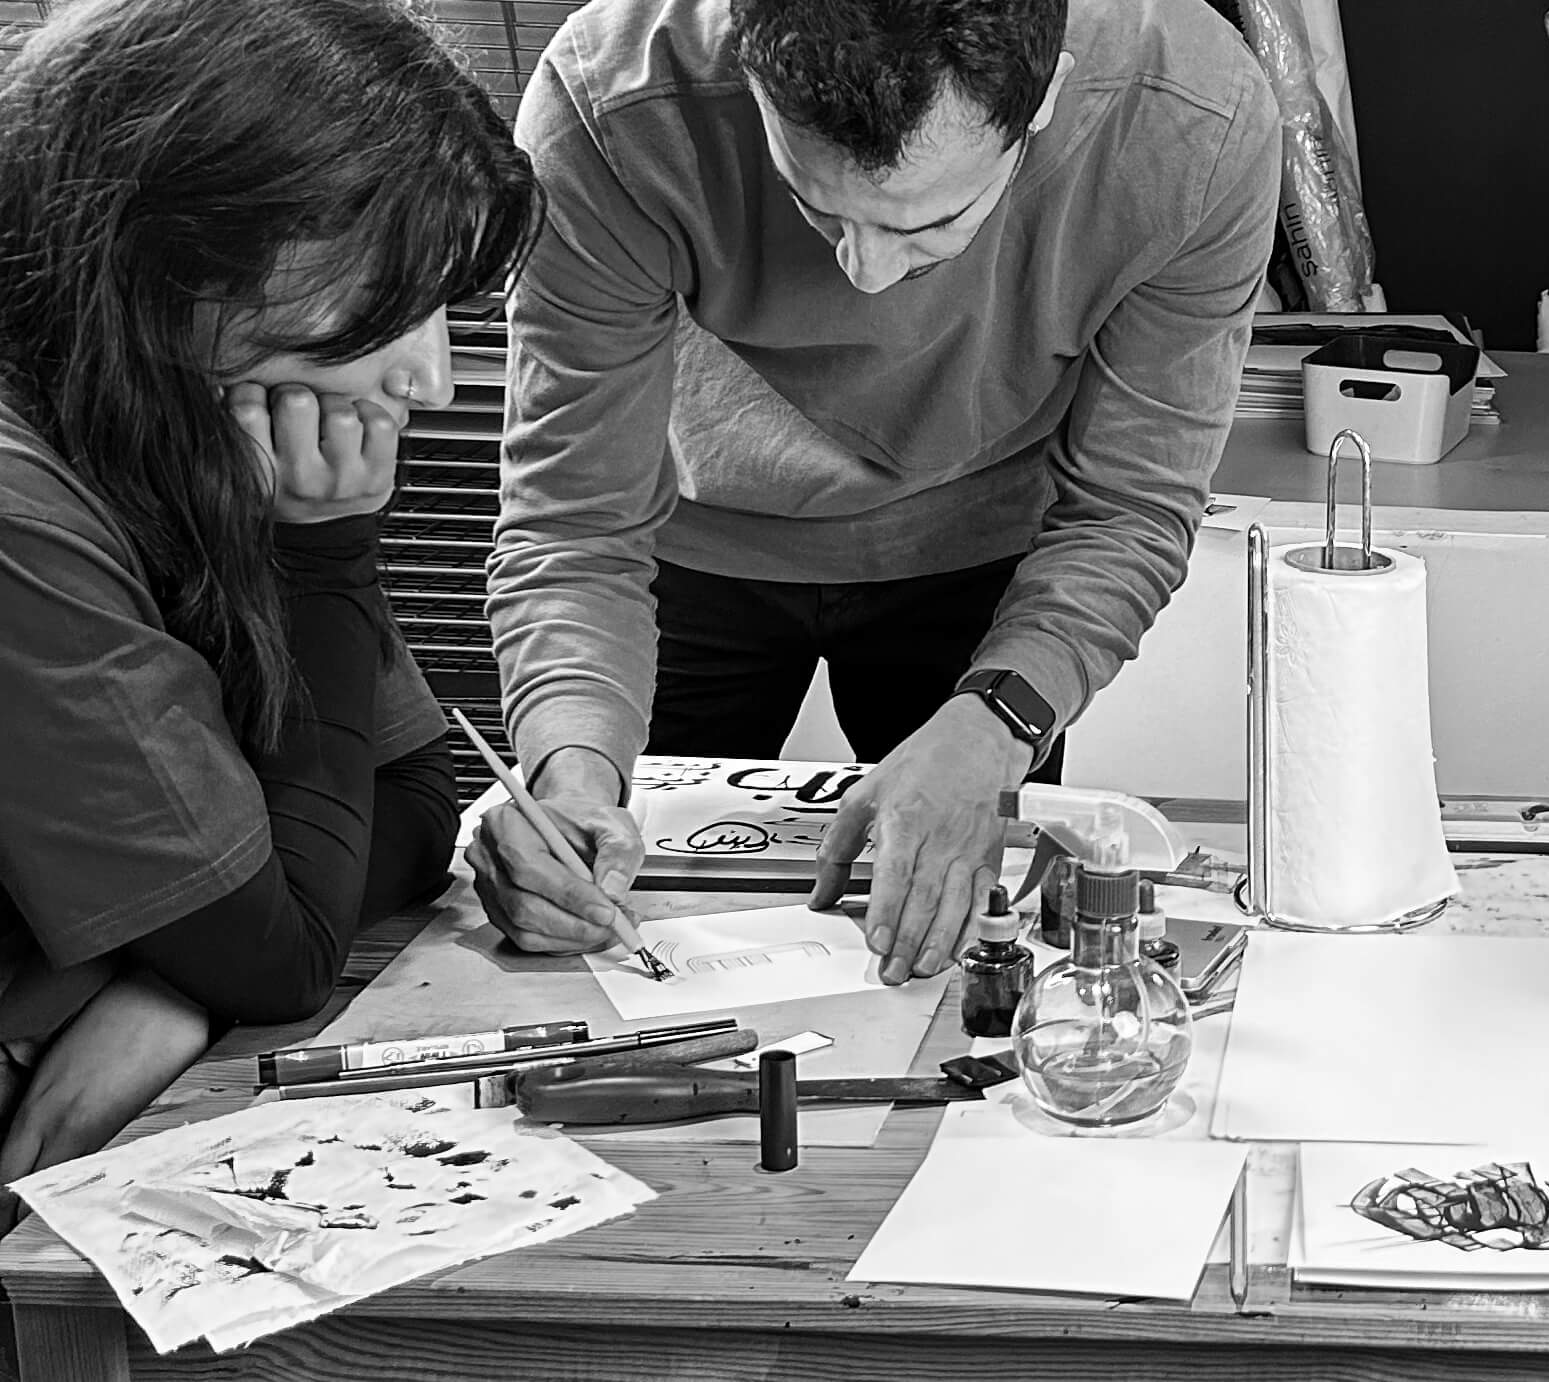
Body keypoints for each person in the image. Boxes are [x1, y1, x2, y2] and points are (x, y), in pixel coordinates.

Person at [474, 0, 1278, 990]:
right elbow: (574, 520)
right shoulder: (612, 105)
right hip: (689, 544)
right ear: (748, 75)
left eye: (931, 222)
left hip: (988, 553)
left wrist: (1000, 724)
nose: (865, 277)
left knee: (971, 959)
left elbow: (1129, 506)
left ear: (1044, 98)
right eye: (815, 205)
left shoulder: (1193, 122)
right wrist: (567, 770)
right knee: (605, 930)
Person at [0, 0, 535, 1199]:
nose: (432, 380)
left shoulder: (193, 418)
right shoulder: (21, 508)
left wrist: (171, 981)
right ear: (179, 245)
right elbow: (280, 954)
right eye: (386, 301)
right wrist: (326, 557)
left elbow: (414, 805)